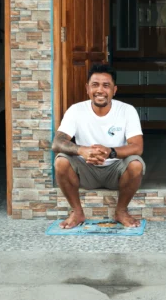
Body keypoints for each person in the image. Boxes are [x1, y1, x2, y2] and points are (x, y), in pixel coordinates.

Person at [52, 63, 144, 228]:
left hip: (116, 171)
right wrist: (82, 150)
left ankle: (121, 211)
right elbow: (57, 142)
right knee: (61, 161)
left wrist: (111, 152)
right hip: (85, 170)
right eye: (95, 85)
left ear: (114, 90)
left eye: (106, 85)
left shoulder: (127, 110)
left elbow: (137, 146)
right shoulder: (76, 110)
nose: (100, 90)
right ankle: (77, 212)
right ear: (87, 88)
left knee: (136, 164)